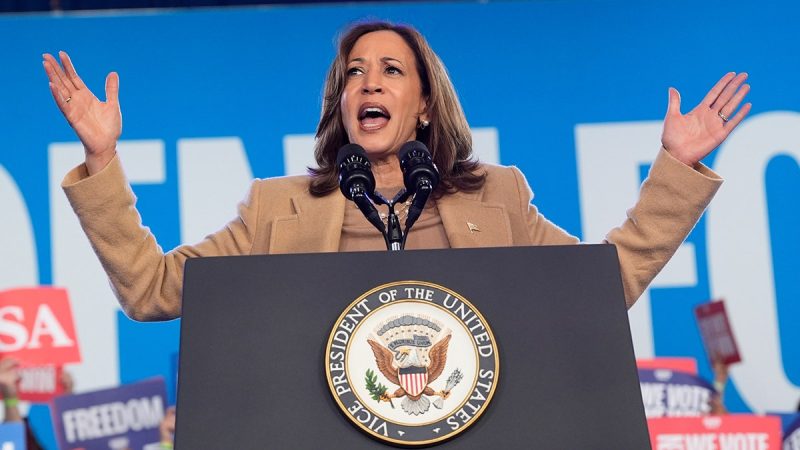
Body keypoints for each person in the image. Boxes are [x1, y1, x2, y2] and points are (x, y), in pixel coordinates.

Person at [42, 22, 750, 321]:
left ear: (423, 106)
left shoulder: (496, 198)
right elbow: (151, 290)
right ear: (341, 103)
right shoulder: (277, 209)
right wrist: (102, 158)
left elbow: (602, 287)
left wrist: (677, 169)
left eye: (390, 70)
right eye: (354, 73)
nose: (369, 82)